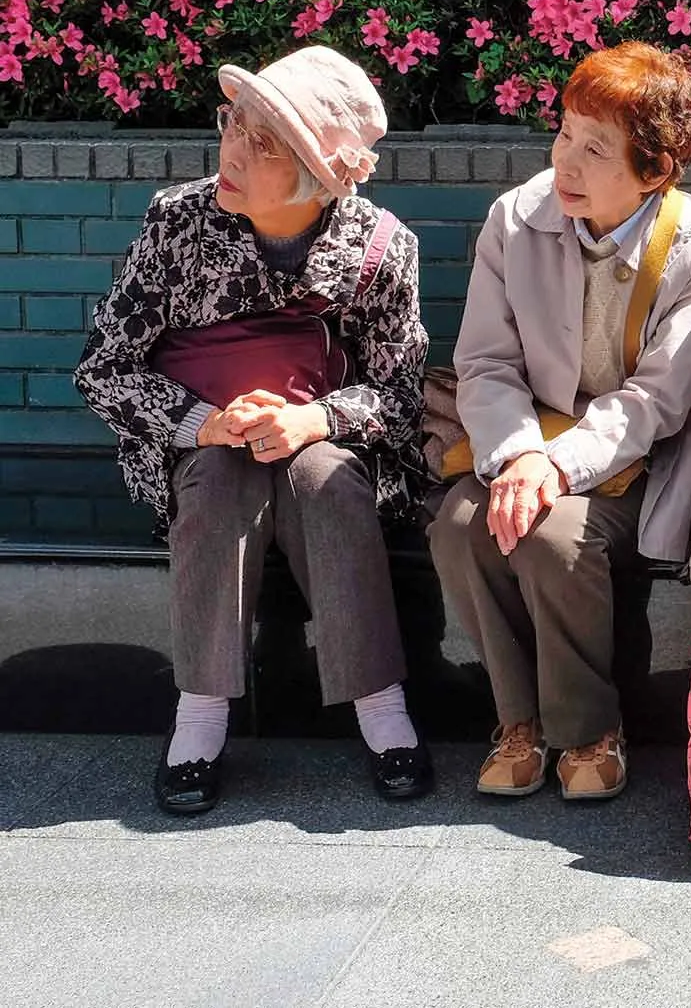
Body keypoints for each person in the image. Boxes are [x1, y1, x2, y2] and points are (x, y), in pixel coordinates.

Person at [76, 46, 431, 814]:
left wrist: (314, 419)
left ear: (315, 173)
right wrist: (202, 424)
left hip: (325, 437)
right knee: (219, 478)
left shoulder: (379, 247)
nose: (229, 150)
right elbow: (102, 368)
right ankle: (199, 718)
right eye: (233, 125)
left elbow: (402, 392)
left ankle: (383, 707)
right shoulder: (178, 221)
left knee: (327, 481)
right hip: (197, 441)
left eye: (261, 142)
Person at [429, 42, 691, 802]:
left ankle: (591, 727)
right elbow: (488, 362)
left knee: (555, 532)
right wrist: (520, 455)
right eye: (565, 132)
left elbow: (660, 399)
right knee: (459, 523)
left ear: (655, 169)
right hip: (525, 437)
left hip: (644, 457)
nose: (564, 161)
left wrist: (557, 467)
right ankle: (519, 723)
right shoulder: (516, 217)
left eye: (595, 148)